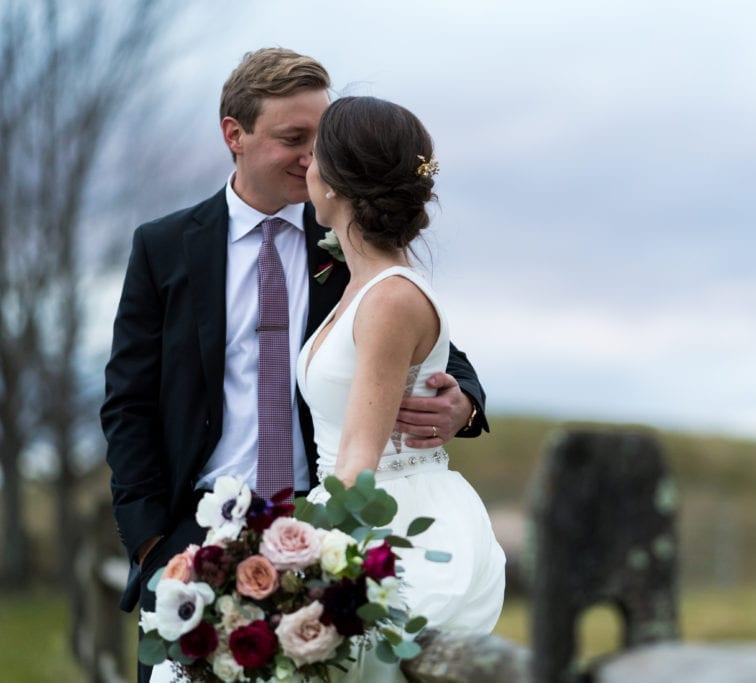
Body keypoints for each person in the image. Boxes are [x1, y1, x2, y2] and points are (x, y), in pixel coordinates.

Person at [100, 49, 488, 683]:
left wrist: (463, 402)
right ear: (234, 134)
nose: (313, 157)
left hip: (330, 530)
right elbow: (128, 402)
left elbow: (434, 348)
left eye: (321, 136)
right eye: (292, 138)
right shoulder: (164, 246)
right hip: (196, 534)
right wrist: (151, 543)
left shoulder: (350, 238)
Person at [299, 95, 505, 681]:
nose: (306, 170)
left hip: (393, 516)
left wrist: (287, 559)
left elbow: (359, 459)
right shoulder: (361, 286)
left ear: (336, 182)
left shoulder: (390, 297)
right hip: (354, 506)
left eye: (314, 157)